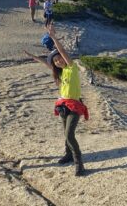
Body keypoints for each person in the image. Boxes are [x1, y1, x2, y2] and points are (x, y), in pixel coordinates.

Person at [46, 24, 88, 176]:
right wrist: (34, 57)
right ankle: (68, 154)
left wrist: (53, 37)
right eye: (55, 61)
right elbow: (48, 64)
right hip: (63, 106)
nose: (58, 61)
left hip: (75, 105)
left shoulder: (71, 68)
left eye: (59, 59)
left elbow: (62, 51)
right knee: (66, 133)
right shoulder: (61, 74)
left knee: (70, 134)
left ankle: (79, 164)